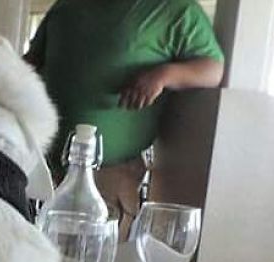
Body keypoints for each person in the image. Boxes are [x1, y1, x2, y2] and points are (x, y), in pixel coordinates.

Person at [25, 0, 224, 236]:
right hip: (40, 168)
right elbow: (30, 63)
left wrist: (163, 75)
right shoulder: (66, 6)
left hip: (107, 178)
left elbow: (212, 69)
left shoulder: (176, 9)